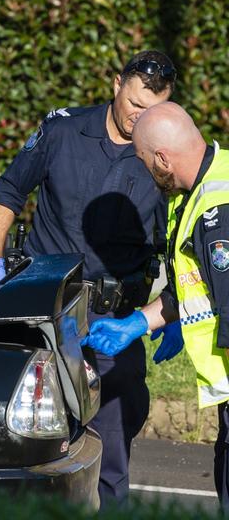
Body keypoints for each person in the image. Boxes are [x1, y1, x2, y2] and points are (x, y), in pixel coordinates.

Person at [0, 50, 176, 506]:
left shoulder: (164, 151)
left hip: (114, 321)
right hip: (43, 308)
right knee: (26, 437)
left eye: (154, 110)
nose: (142, 118)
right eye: (135, 104)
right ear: (115, 85)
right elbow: (8, 190)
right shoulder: (63, 130)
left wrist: (175, 308)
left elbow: (178, 236)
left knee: (111, 453)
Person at [85, 101, 229, 509]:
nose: (147, 171)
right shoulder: (209, 183)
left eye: (147, 161)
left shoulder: (217, 211)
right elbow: (200, 287)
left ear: (163, 158)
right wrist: (139, 322)